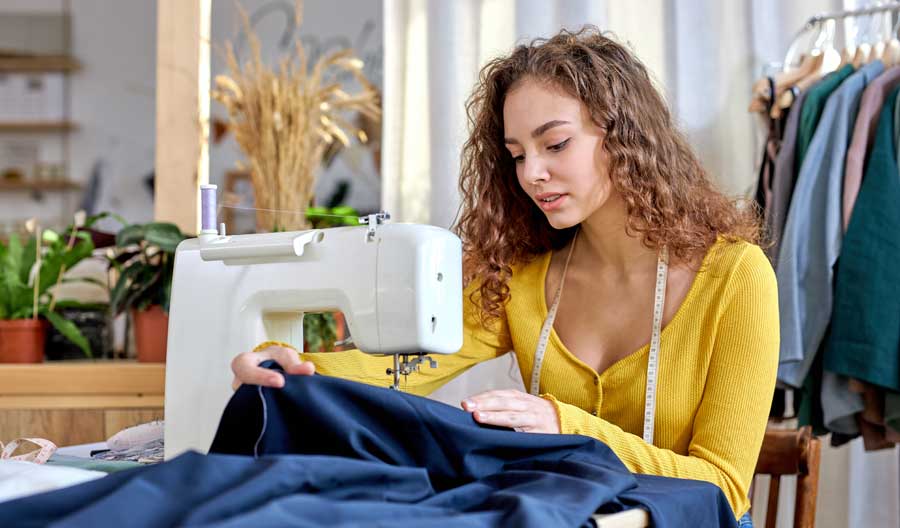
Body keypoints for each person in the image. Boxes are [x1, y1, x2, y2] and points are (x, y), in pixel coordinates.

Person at [231, 27, 776, 526]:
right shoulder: (523, 279)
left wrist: (565, 425)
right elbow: (402, 371)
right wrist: (289, 365)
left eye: (555, 144)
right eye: (516, 155)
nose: (532, 174)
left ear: (623, 136)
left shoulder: (733, 277)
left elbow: (723, 487)